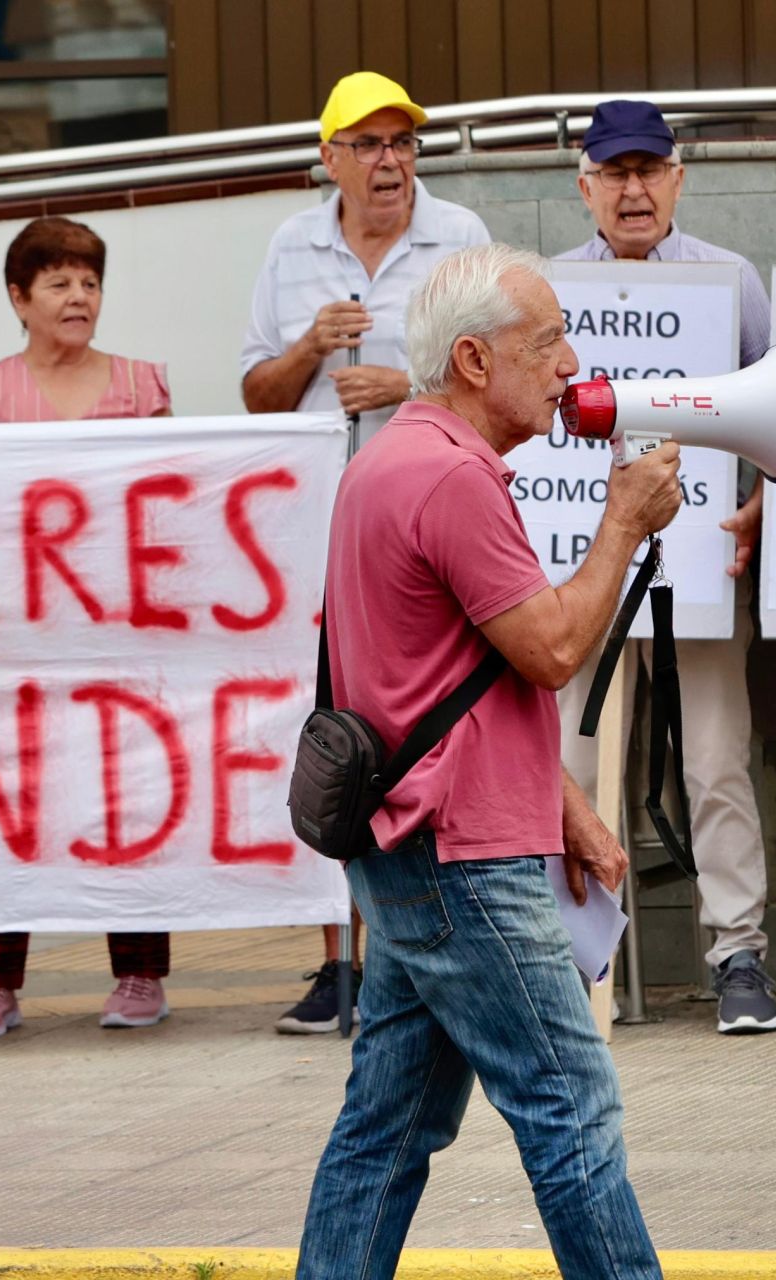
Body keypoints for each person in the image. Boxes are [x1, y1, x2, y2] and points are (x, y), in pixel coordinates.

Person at [296, 242, 677, 1278]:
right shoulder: (453, 478)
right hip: (465, 857)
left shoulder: (390, 461)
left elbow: (437, 680)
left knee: (389, 1126)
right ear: (473, 359)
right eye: (546, 342)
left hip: (413, 844)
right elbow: (549, 650)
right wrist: (622, 522)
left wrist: (564, 806)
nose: (570, 365)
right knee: (570, 1105)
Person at [240, 70, 490, 1034]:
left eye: (403, 143)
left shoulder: (459, 237)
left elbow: (495, 380)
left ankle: (413, 942)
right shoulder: (289, 246)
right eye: (371, 145)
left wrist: (404, 384)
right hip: (325, 528)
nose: (391, 162)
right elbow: (257, 394)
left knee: (419, 721)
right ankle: (336, 958)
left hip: (426, 520)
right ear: (330, 159)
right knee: (337, 728)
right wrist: (311, 348)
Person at [554, 98, 776, 1034]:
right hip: (581, 571)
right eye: (615, 173)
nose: (634, 189)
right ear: (586, 188)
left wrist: (763, 504)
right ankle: (572, 957)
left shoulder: (731, 281)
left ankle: (738, 954)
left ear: (678, 179)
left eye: (649, 170)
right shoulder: (549, 291)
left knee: (717, 761)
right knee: (570, 763)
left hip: (701, 561)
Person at [0, 216, 174, 1037]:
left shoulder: (143, 386)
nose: (79, 297)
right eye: (59, 283)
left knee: (125, 789)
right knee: (7, 796)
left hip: (119, 628)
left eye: (90, 282)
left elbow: (168, 500)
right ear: (19, 298)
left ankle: (141, 972)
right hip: (15, 632)